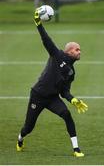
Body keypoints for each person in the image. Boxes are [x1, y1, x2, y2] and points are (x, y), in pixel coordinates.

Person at [16, 9, 88, 157]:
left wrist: (72, 99)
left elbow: (64, 92)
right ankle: (20, 138)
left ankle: (76, 149)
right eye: (77, 49)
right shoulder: (57, 55)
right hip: (38, 95)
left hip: (52, 98)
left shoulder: (71, 72)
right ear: (69, 52)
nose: (80, 51)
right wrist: (38, 23)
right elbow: (46, 39)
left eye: (80, 49)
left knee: (67, 115)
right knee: (29, 127)